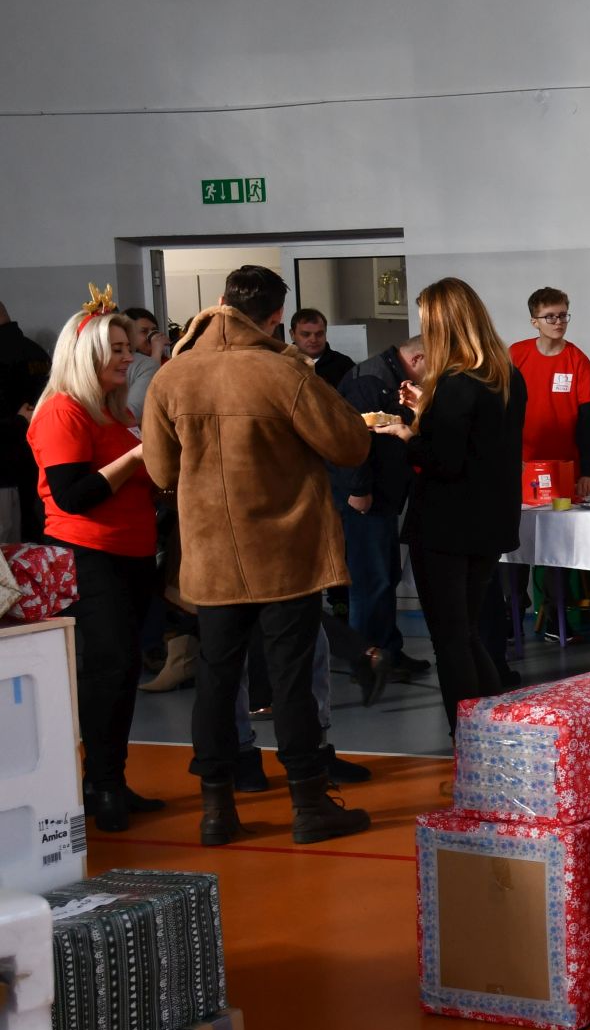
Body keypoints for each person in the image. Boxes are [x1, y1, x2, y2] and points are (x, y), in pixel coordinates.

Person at [141, 264, 373, 846]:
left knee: (217, 679)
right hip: (283, 552)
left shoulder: (173, 375)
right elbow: (350, 444)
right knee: (292, 680)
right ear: (276, 317)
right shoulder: (281, 371)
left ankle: (217, 812)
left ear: (220, 303)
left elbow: (160, 471)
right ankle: (309, 806)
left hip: (211, 555)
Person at [27, 288, 163, 831]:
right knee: (110, 668)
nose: (129, 357)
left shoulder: (116, 410)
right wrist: (139, 455)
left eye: (129, 348)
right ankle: (101, 785)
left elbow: (135, 480)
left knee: (124, 668)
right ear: (86, 354)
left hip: (133, 551)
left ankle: (112, 779)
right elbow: (73, 496)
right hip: (90, 553)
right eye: (118, 349)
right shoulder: (62, 410)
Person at [382, 279, 527, 732]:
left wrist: (407, 432)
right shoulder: (507, 376)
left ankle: (466, 738)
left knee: (450, 640)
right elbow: (481, 441)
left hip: (446, 525)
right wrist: (427, 408)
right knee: (466, 633)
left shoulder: (454, 382)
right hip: (490, 521)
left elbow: (443, 461)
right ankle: (490, 733)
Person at [336, 335, 432, 688]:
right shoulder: (369, 379)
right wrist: (359, 489)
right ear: (417, 358)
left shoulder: (394, 380)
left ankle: (389, 650)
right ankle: (364, 660)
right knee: (369, 580)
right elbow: (353, 439)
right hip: (366, 497)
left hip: (385, 495)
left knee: (385, 576)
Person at [510, 287, 590, 499]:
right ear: (535, 322)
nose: (558, 322)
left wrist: (589, 471)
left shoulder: (578, 361)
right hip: (522, 465)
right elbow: (501, 411)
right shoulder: (515, 355)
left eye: (562, 315)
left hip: (566, 468)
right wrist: (509, 457)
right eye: (550, 317)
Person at [0, 299, 53, 542]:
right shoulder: (37, 351)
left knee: (8, 548)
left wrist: (19, 422)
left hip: (6, 467)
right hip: (39, 461)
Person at [289, 308, 354, 388]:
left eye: (319, 334)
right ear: (292, 334)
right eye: (306, 334)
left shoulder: (344, 365)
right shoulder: (282, 363)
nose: (313, 340)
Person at [121, 308, 164, 416]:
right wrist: (156, 353)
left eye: (154, 331)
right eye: (144, 331)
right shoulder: (124, 364)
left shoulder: (167, 362)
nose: (152, 336)